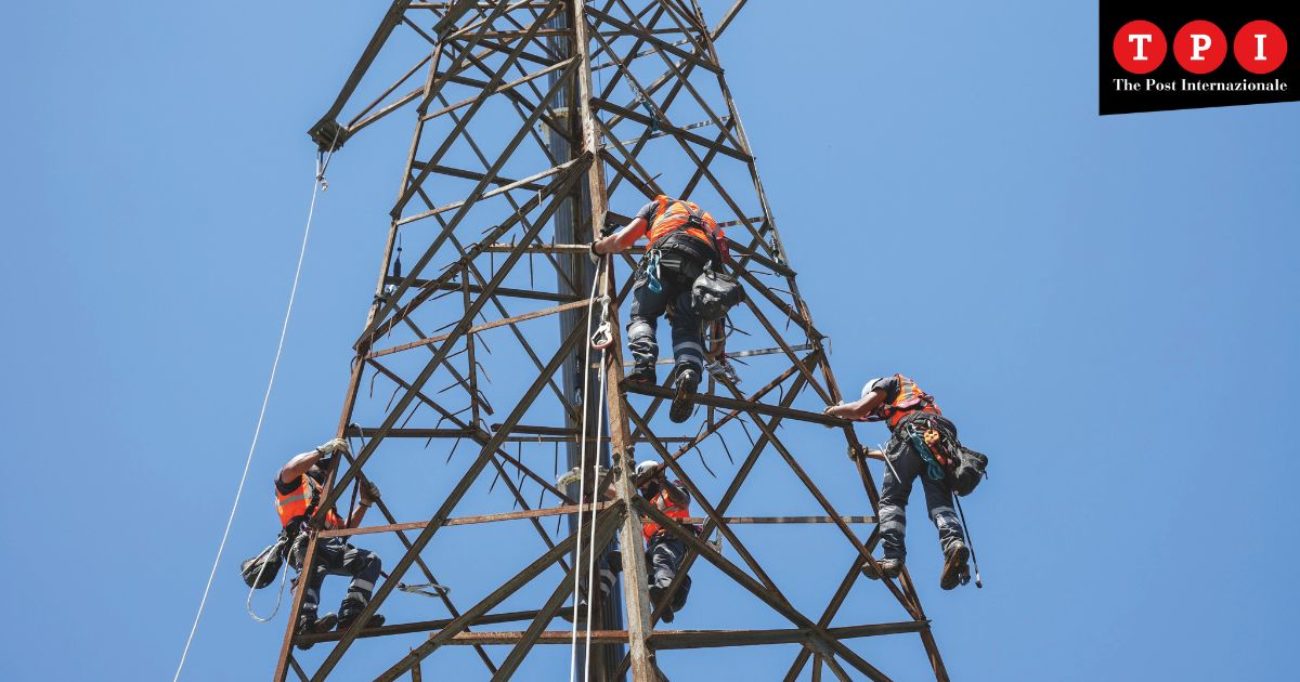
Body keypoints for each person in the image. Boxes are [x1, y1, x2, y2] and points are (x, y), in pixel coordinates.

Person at [590, 195, 729, 423]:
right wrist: (719, 341)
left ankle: (644, 365)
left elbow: (623, 240)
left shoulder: (658, 206)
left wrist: (598, 248)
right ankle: (688, 373)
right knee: (687, 326)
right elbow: (722, 273)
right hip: (702, 273)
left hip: (665, 257)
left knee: (642, 316)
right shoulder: (709, 222)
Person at [824, 374, 971, 590]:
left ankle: (892, 558)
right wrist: (866, 452)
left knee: (892, 501)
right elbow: (906, 456)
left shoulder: (890, 383)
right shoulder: (919, 402)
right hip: (938, 443)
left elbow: (858, 411)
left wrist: (834, 411)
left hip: (911, 432)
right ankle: (954, 545)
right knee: (941, 505)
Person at [276, 437, 385, 646]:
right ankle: (305, 623)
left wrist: (364, 503)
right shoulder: (295, 483)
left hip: (329, 545)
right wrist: (321, 451)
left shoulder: (325, 502)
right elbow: (289, 470)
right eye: (321, 467)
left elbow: (343, 530)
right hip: (305, 540)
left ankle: (351, 615)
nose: (324, 473)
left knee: (369, 560)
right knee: (312, 570)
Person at [633, 460, 696, 622]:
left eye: (644, 483)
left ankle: (666, 591)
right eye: (640, 486)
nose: (642, 488)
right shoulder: (643, 508)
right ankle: (592, 599)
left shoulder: (670, 492)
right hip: (654, 550)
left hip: (674, 539)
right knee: (621, 560)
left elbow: (683, 501)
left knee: (661, 554)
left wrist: (663, 481)